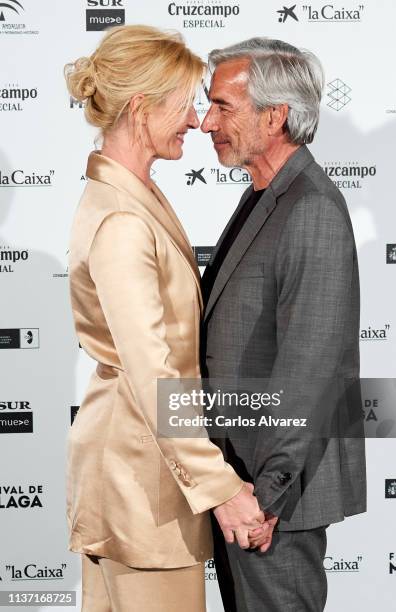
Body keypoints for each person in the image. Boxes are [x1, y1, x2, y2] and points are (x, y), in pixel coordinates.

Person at [65, 25, 267, 612]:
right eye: (183, 105)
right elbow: (154, 372)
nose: (195, 120)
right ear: (139, 107)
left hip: (134, 471)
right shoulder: (122, 218)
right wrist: (221, 486)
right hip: (141, 486)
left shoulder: (129, 195)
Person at [200, 38, 367, 611]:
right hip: (240, 479)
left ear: (275, 116)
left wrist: (265, 497)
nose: (205, 122)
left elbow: (309, 369)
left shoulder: (311, 206)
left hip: (273, 495)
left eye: (223, 106)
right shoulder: (268, 195)